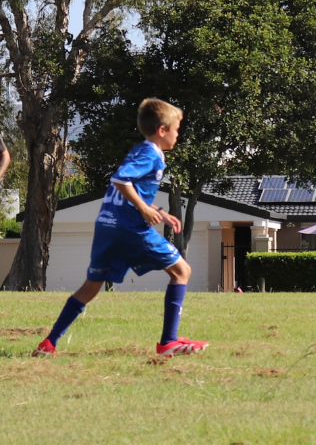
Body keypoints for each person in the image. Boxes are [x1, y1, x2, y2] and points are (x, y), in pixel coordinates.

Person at [34, 98, 207, 359]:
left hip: (108, 226)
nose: (178, 134)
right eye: (177, 128)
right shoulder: (150, 154)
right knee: (182, 270)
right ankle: (168, 342)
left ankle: (49, 343)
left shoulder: (139, 150)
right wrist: (146, 210)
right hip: (130, 229)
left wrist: (160, 212)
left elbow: (129, 189)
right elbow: (120, 180)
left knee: (90, 288)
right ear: (162, 130)